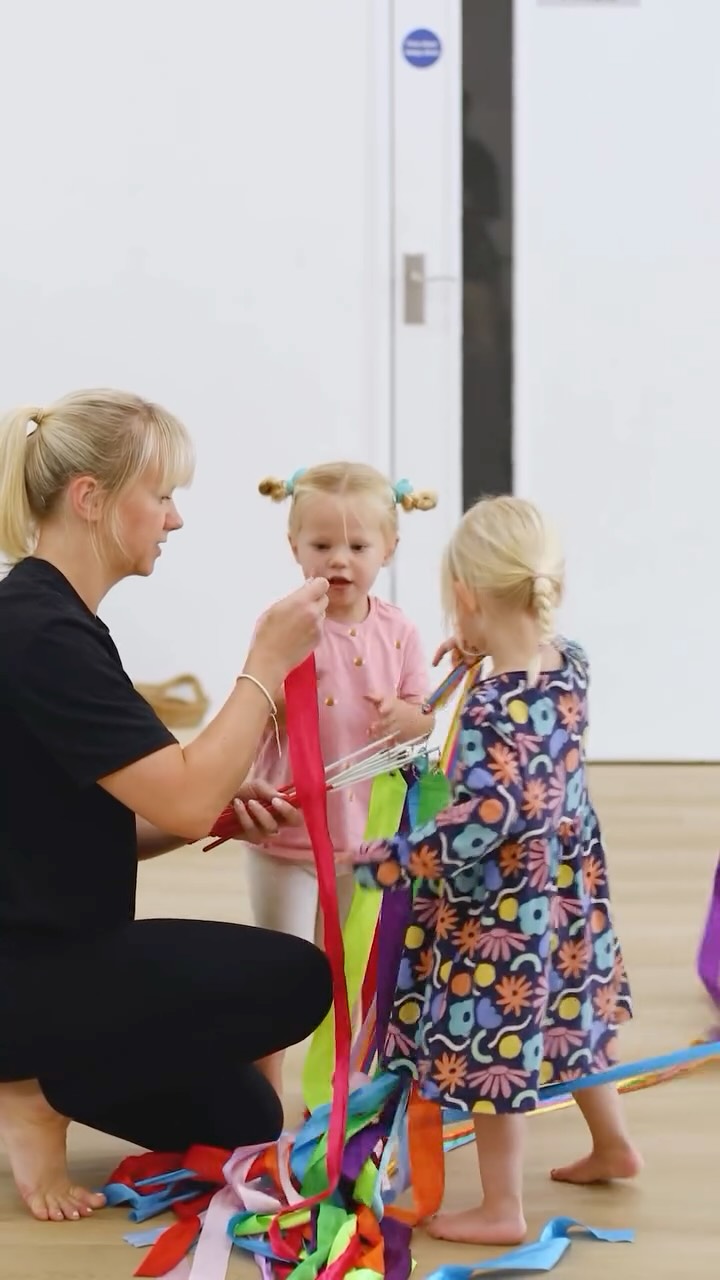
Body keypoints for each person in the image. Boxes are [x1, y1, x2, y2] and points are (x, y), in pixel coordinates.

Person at [0, 389, 334, 1225]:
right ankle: (28, 1088)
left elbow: (69, 826)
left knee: (244, 1119)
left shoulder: (46, 619)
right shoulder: (43, 636)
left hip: (47, 957)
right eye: (162, 495)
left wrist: (215, 813)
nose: (175, 519)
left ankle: (48, 1066)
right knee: (297, 978)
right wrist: (265, 662)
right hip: (31, 972)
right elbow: (183, 797)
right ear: (91, 499)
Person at [348, 495, 642, 1247]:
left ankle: (500, 1209)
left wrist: (389, 861)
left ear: (467, 597)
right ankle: (614, 1143)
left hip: (501, 921)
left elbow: (482, 822)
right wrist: (481, 650)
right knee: (569, 1018)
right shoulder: (566, 664)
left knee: (497, 1054)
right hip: (567, 897)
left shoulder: (491, 711)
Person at [240, 462, 437, 1094]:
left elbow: (424, 717)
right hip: (287, 841)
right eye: (322, 545)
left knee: (351, 971)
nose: (340, 560)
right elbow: (252, 707)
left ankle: (339, 1094)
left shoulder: (399, 630)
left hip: (366, 844)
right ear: (293, 546)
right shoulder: (284, 624)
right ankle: (262, 1096)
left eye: (358, 547)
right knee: (277, 974)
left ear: (390, 548)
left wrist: (404, 718)